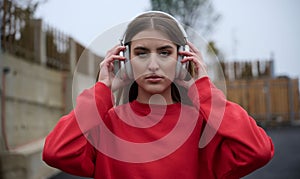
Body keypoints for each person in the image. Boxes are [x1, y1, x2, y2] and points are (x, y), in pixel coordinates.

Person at [43, 11, 274, 179]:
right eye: (142, 53)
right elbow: (56, 152)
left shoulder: (203, 128)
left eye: (164, 53)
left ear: (182, 58)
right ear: (127, 60)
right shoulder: (107, 125)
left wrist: (202, 89)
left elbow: (258, 151)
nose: (153, 65)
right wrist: (103, 88)